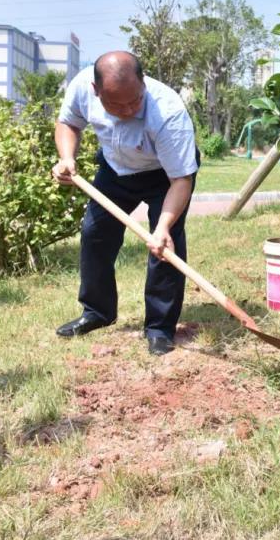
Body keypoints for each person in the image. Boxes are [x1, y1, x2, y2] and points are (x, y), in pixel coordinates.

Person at [51, 51, 199, 356]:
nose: (129, 110)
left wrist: (162, 228)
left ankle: (159, 328)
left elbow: (181, 180)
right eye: (117, 105)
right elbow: (68, 123)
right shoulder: (82, 87)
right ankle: (98, 312)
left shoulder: (168, 112)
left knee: (165, 248)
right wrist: (67, 157)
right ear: (96, 90)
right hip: (115, 169)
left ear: (143, 83)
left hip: (166, 176)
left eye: (135, 101)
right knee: (95, 235)